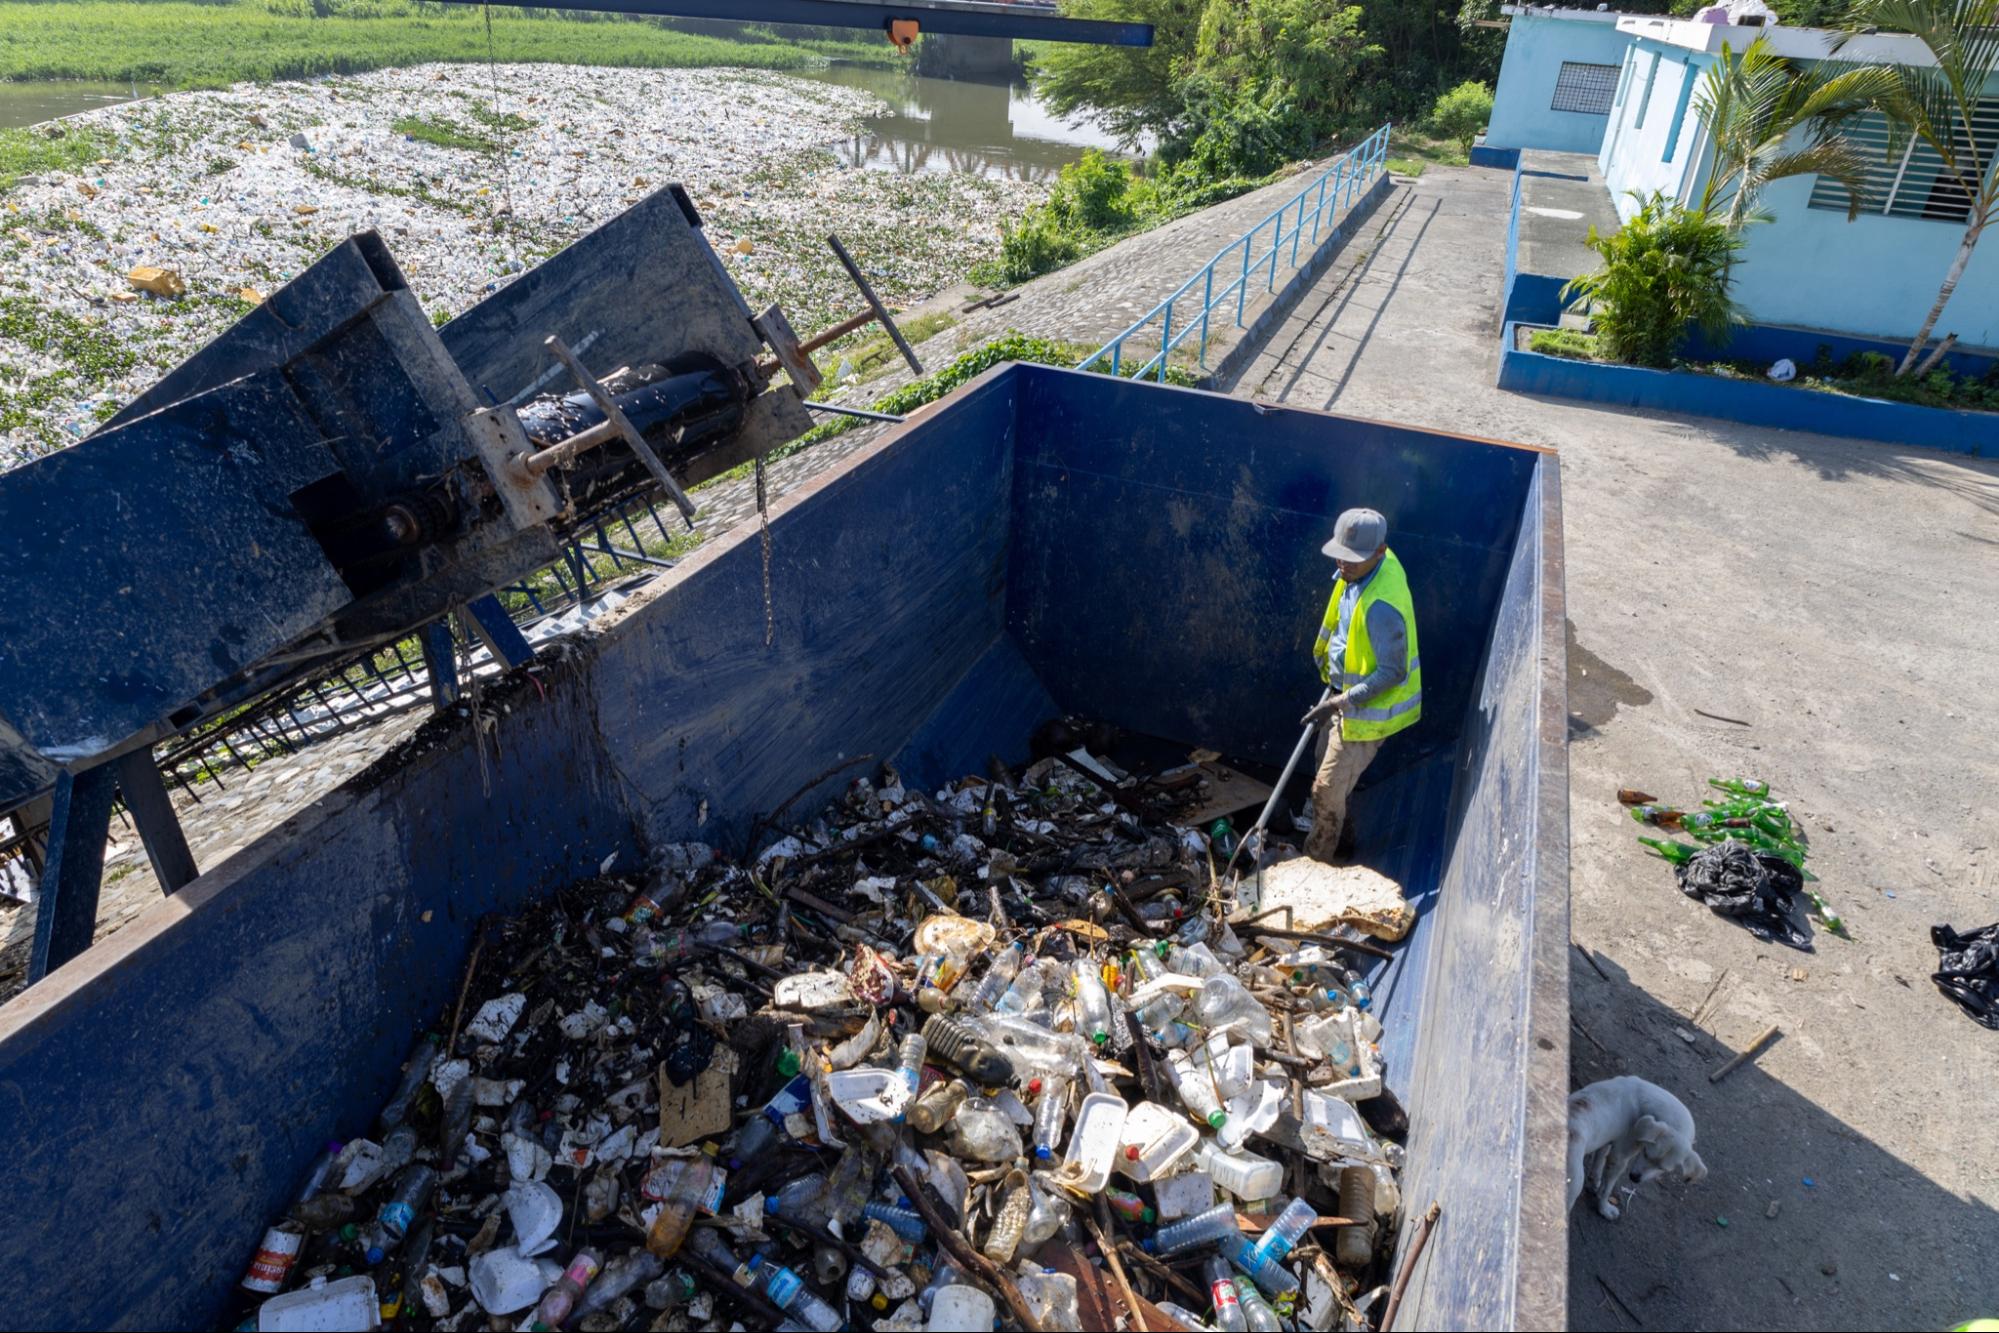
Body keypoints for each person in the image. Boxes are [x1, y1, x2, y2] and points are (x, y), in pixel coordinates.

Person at [1302, 508, 1422, 862]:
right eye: (1341, 555)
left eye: (1354, 559)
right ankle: (1343, 842)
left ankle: (1313, 867)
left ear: (1380, 552)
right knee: (1327, 772)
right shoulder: (1364, 569)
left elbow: (1392, 672)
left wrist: (1342, 701)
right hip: (1342, 697)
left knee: (1325, 789)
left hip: (1367, 712)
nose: (1344, 565)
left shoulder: (1382, 606)